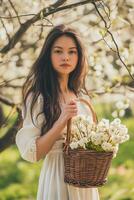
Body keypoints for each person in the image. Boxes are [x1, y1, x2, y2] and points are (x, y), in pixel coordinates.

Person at [16, 24, 100, 200]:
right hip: (57, 176)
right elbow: (34, 153)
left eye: (72, 52)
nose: (66, 57)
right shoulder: (38, 96)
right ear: (49, 55)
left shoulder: (81, 96)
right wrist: (62, 120)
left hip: (84, 180)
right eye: (58, 51)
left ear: (79, 56)